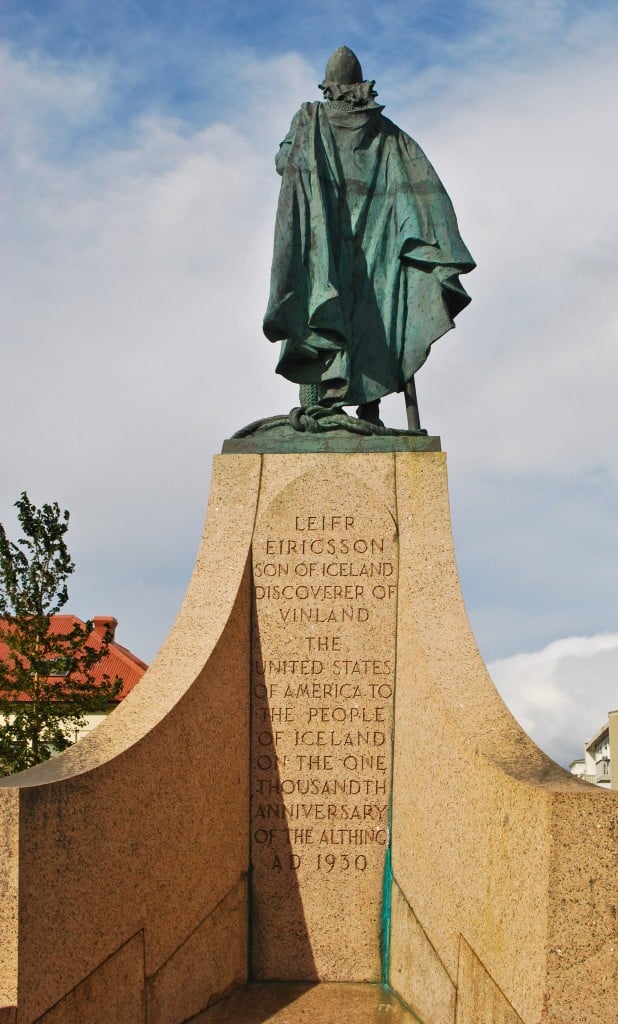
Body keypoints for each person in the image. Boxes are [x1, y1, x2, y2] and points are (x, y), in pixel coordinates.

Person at [263, 47, 475, 429]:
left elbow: (283, 163)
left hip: (323, 240)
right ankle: (370, 411)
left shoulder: (310, 118)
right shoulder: (388, 132)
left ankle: (320, 404)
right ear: (362, 87)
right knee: (374, 315)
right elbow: (421, 186)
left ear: (329, 87)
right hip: (376, 240)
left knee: (321, 316)